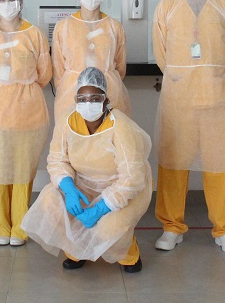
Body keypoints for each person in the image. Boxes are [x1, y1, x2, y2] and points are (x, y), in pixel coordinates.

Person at [152, 0, 225, 253]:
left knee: (221, 161)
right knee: (173, 161)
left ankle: (224, 230)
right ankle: (171, 227)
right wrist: (182, 76)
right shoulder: (167, 6)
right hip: (178, 99)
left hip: (217, 97)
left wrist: (210, 74)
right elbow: (161, 54)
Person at [22, 67, 151, 272]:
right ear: (75, 99)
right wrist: (68, 187)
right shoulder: (67, 121)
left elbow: (132, 178)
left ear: (106, 100)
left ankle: (128, 253)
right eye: (82, 99)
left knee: (110, 227)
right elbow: (57, 159)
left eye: (94, 98)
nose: (88, 104)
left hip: (120, 188)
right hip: (82, 186)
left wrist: (102, 208)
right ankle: (76, 250)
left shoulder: (120, 126)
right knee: (49, 203)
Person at [0, 0, 52, 246]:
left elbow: (44, 73)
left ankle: (19, 228)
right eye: (1, 0)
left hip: (27, 112)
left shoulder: (34, 34)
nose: (6, 5)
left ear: (21, 2)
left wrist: (19, 89)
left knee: (22, 170)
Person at [51, 0, 130, 126]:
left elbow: (120, 67)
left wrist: (105, 80)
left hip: (109, 92)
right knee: (74, 134)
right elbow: (58, 68)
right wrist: (69, 86)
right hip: (71, 93)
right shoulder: (64, 26)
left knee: (108, 135)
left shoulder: (114, 26)